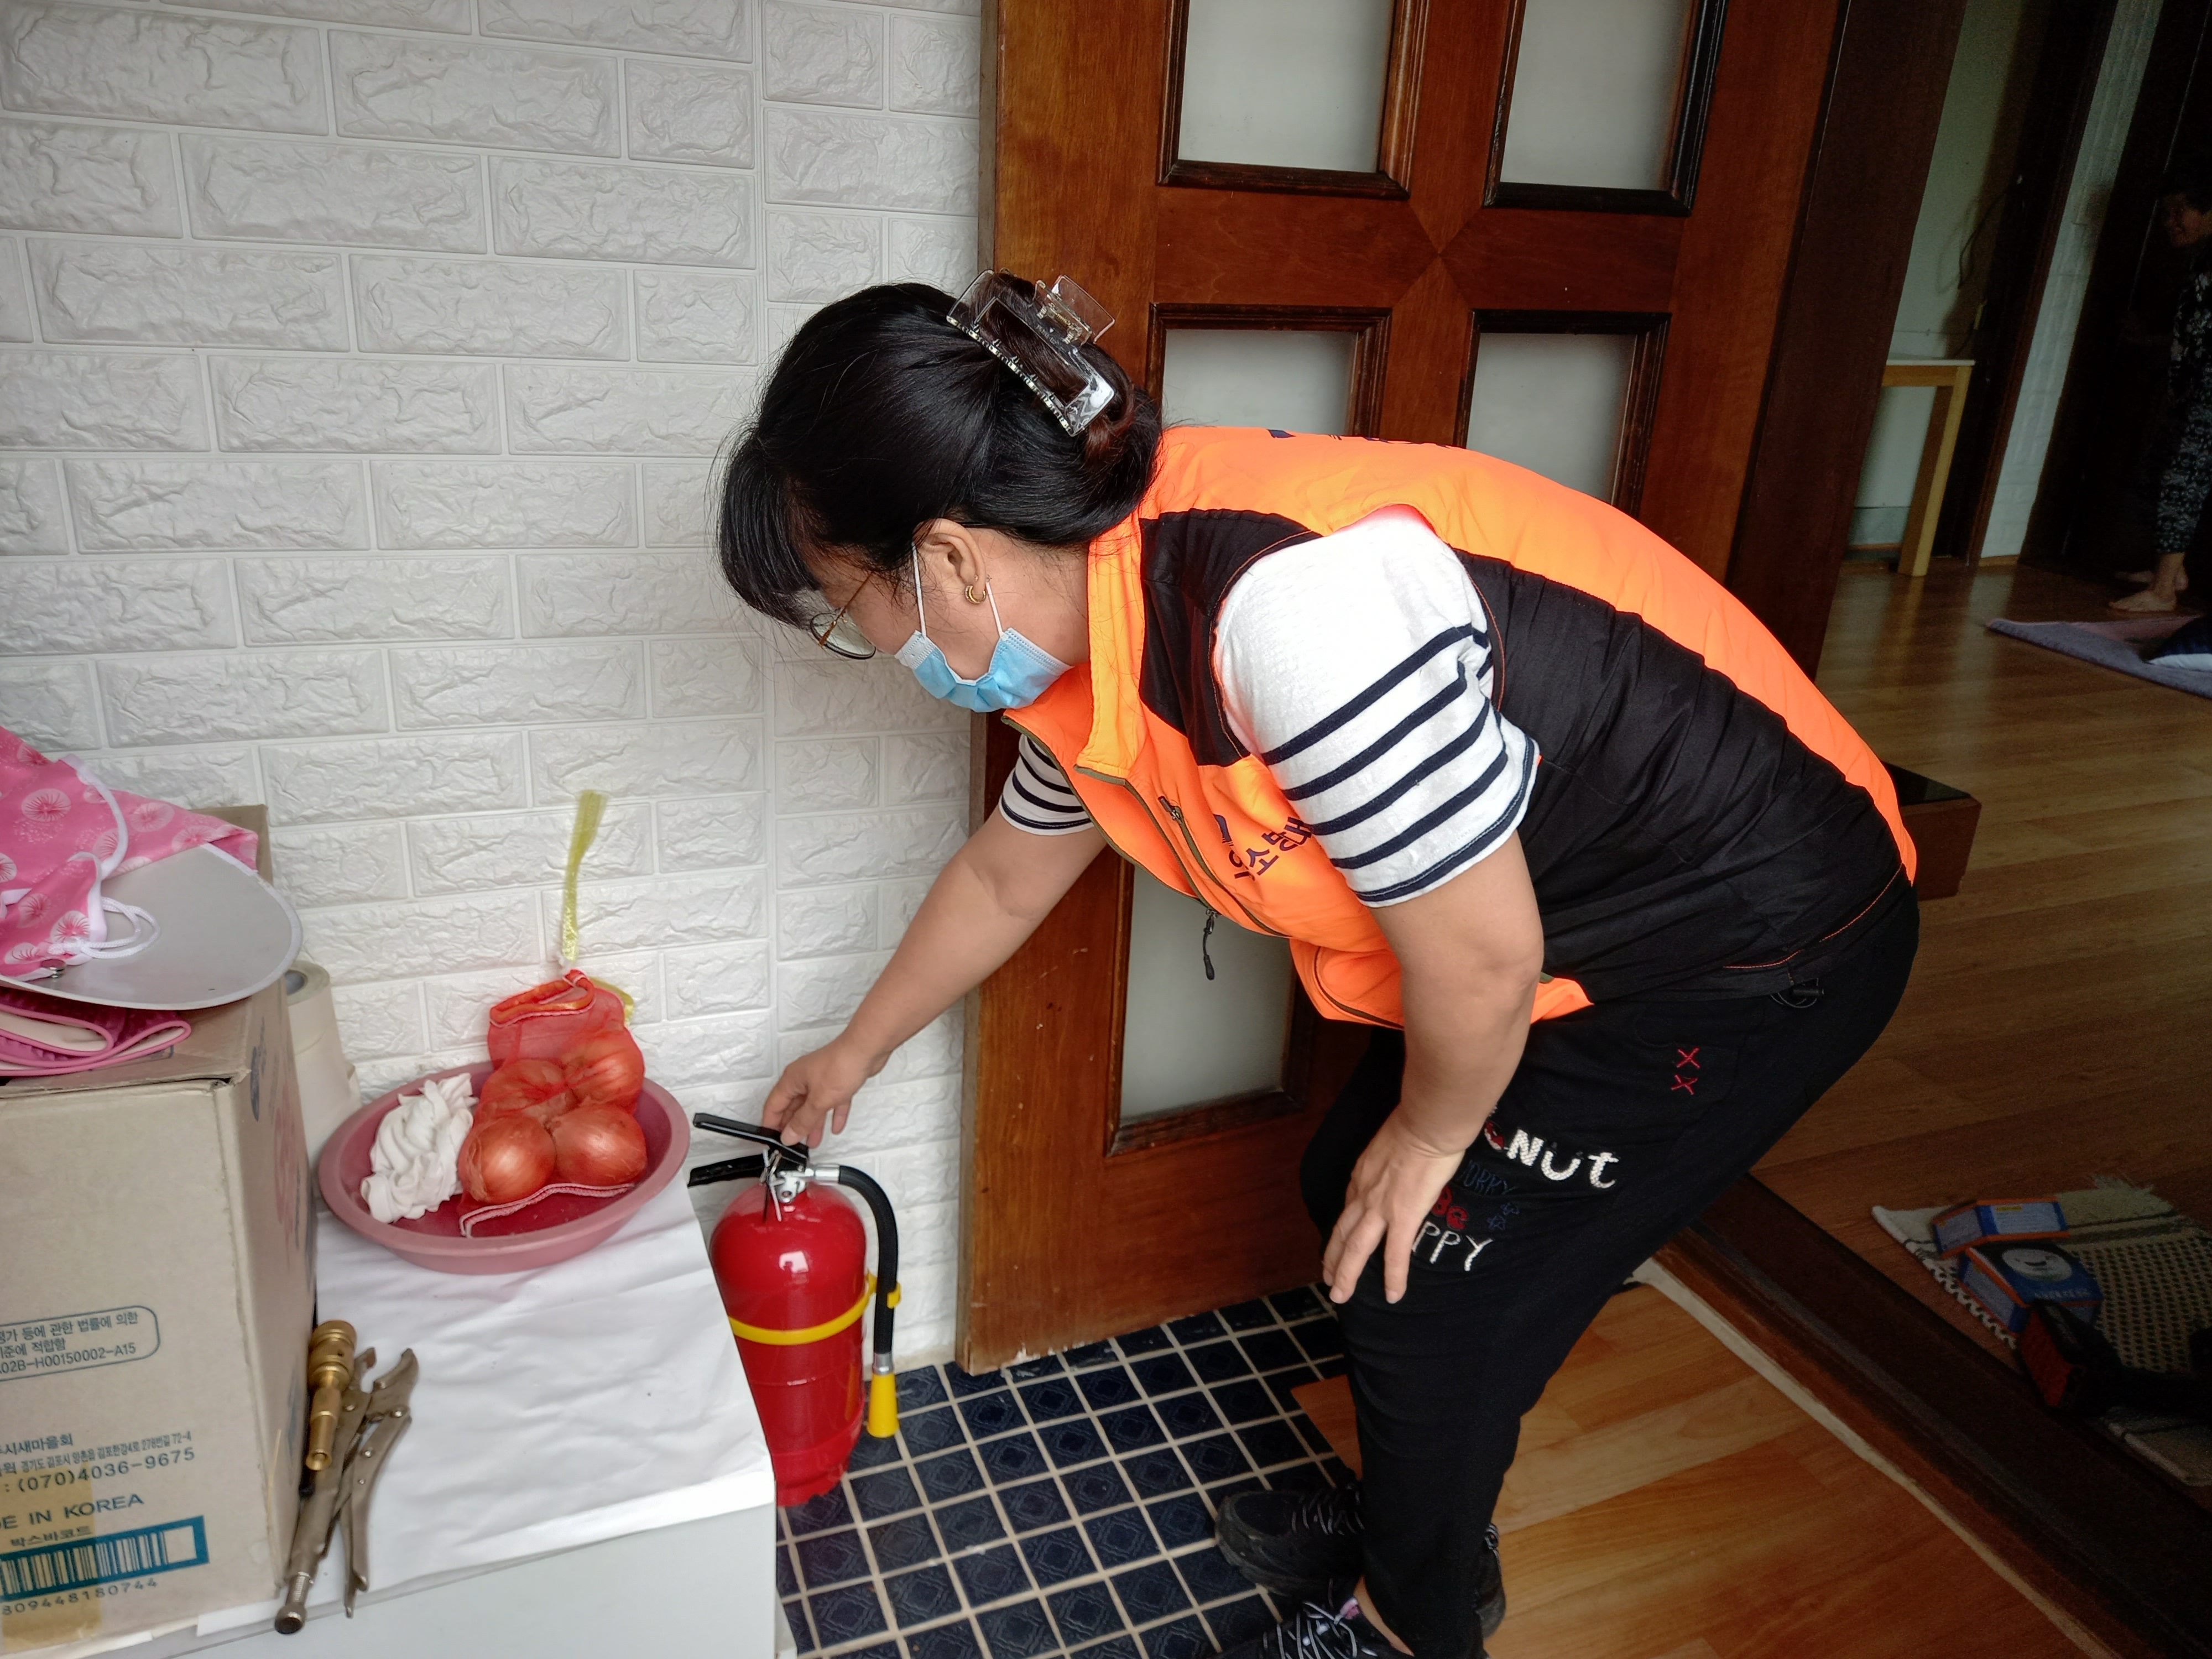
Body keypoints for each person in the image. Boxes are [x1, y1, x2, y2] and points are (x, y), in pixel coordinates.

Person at [717, 274, 1920, 1659]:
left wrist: (1433, 1135)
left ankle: (1411, 1619)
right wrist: (854, 1049)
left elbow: (1482, 960)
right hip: (1559, 934)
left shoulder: (1284, 617)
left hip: (1746, 942)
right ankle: (1425, 1516)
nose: (866, 645)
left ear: (949, 560)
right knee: (1356, 1196)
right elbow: (1004, 876)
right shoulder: (1088, 632)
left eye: (846, 607)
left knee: (1428, 1280)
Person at [2115, 160, 2212, 613]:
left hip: (2208, 394)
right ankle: (2171, 572)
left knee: (2182, 478)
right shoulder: (2202, 261)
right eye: (2166, 212)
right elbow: (2196, 334)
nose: (2170, 222)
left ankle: (2164, 591)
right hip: (2191, 387)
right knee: (2158, 470)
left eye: (2180, 211)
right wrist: (2151, 341)